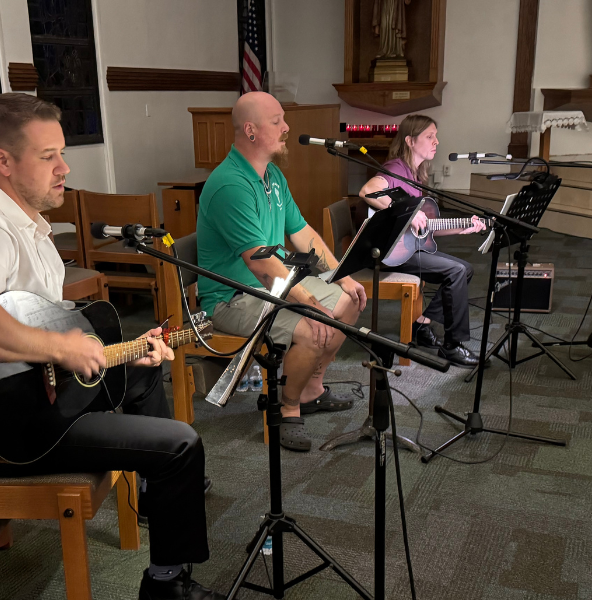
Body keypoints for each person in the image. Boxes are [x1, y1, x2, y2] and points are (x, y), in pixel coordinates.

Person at [0, 93, 223, 600]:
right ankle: (166, 584)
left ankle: (155, 494)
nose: (65, 167)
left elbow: (41, 319)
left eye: (62, 152)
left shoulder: (29, 227)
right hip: (4, 428)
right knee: (180, 445)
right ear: (3, 161)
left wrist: (120, 351)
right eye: (48, 156)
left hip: (33, 393)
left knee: (144, 369)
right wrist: (60, 348)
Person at [196, 92, 367, 452]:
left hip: (272, 286)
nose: (287, 128)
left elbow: (303, 234)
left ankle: (310, 390)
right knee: (311, 328)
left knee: (350, 300)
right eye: (277, 121)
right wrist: (307, 304)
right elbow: (260, 264)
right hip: (233, 298)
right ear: (251, 130)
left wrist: (342, 275)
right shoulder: (229, 185)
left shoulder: (272, 175)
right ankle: (287, 408)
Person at [358, 114, 487, 367]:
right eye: (429, 136)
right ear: (410, 141)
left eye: (435, 136)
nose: (436, 141)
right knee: (456, 271)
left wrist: (461, 228)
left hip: (408, 248)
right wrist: (406, 212)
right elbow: (368, 191)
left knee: (465, 269)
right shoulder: (396, 169)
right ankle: (452, 346)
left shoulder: (414, 175)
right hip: (389, 252)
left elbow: (425, 228)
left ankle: (421, 325)